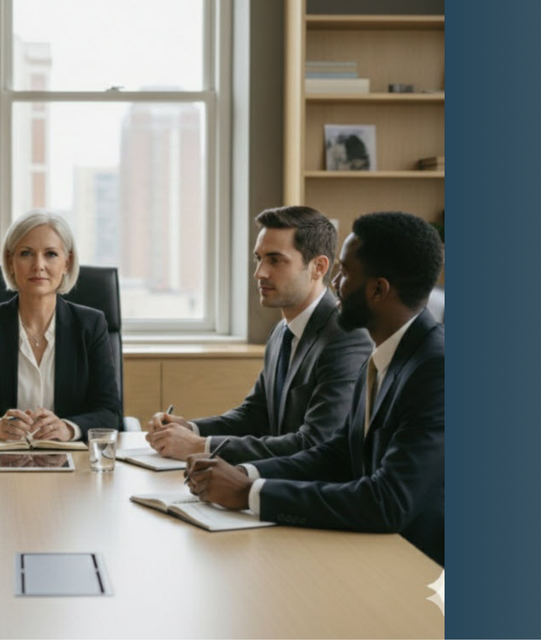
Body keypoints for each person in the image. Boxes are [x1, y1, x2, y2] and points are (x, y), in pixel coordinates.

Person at [186, 211, 446, 565]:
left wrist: (250, 493)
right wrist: (246, 473)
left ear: (378, 290)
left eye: (345, 273)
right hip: (375, 550)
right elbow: (337, 455)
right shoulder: (384, 354)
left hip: (419, 568)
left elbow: (388, 501)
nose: (335, 284)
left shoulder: (436, 370)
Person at [145, 206, 371, 464]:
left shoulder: (346, 336)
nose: (259, 273)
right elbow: (255, 415)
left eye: (275, 260)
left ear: (318, 267)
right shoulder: (281, 332)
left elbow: (315, 443)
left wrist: (199, 446)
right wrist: (190, 429)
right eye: (259, 259)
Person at [0, 211, 122, 443]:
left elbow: (110, 412)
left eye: (50, 254)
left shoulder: (90, 325)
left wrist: (68, 429)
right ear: (10, 261)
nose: (38, 265)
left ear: (67, 263)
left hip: (70, 458)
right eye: (26, 253)